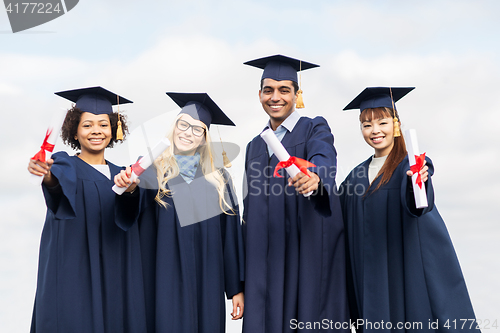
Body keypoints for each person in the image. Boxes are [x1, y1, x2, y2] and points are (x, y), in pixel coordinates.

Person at [340, 87, 480, 333]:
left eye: (382, 122)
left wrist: (420, 180)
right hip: (371, 277)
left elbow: (418, 203)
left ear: (396, 124)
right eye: (366, 125)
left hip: (405, 270)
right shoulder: (354, 177)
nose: (374, 131)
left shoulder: (410, 164)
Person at [114, 92, 244, 333]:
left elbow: (230, 236)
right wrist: (131, 187)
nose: (188, 133)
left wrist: (235, 288)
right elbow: (134, 204)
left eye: (197, 129)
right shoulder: (153, 168)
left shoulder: (219, 179)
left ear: (205, 139)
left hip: (208, 278)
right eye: (183, 125)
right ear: (174, 127)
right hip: (163, 276)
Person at [242, 55, 350, 332]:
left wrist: (315, 178)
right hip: (263, 259)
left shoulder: (313, 127)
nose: (275, 97)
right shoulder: (254, 146)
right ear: (260, 94)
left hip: (301, 252)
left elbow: (324, 157)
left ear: (297, 95)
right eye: (268, 90)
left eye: (284, 90)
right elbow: (249, 203)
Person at [27, 86, 147, 333]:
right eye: (87, 125)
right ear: (75, 130)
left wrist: (131, 190)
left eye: (103, 124)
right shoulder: (64, 164)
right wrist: (46, 174)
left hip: (114, 275)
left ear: (113, 129)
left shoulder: (122, 175)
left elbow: (129, 215)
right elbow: (57, 187)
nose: (96, 131)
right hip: (73, 272)